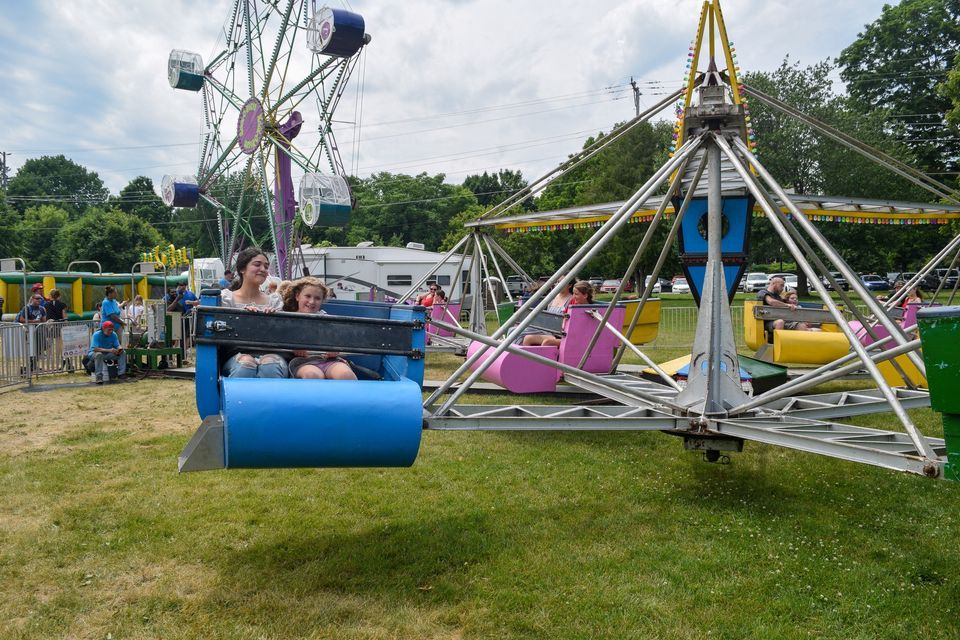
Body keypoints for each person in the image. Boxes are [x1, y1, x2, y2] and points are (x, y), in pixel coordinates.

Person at [219, 247, 288, 378]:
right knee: (245, 365)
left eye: (266, 267)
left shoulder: (274, 300)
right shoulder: (227, 298)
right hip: (235, 354)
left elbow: (283, 334)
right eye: (257, 264)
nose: (263, 269)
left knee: (270, 366)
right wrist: (241, 318)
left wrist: (274, 319)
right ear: (242, 269)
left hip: (269, 353)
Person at [280, 277, 357, 380]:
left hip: (329, 361)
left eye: (317, 298)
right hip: (303, 362)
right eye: (307, 296)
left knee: (346, 375)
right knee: (313, 376)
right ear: (298, 296)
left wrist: (335, 349)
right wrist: (294, 347)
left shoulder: (327, 320)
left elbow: (341, 342)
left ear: (322, 301)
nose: (312, 301)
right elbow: (280, 340)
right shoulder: (288, 319)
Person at [519, 280, 593, 347]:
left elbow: (582, 331)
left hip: (573, 339)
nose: (573, 296)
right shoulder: (573, 302)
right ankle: (528, 360)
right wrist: (563, 325)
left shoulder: (589, 311)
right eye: (573, 293)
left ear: (585, 295)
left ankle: (545, 362)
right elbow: (564, 317)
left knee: (547, 342)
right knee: (528, 338)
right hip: (561, 334)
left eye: (576, 294)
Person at [87, 320, 126, 384]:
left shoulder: (113, 334)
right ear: (103, 328)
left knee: (123, 353)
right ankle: (99, 377)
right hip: (94, 353)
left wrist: (120, 349)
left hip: (107, 353)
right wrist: (110, 350)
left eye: (112, 329)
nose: (110, 331)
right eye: (109, 330)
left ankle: (121, 374)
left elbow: (117, 345)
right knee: (99, 354)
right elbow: (95, 349)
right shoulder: (96, 335)